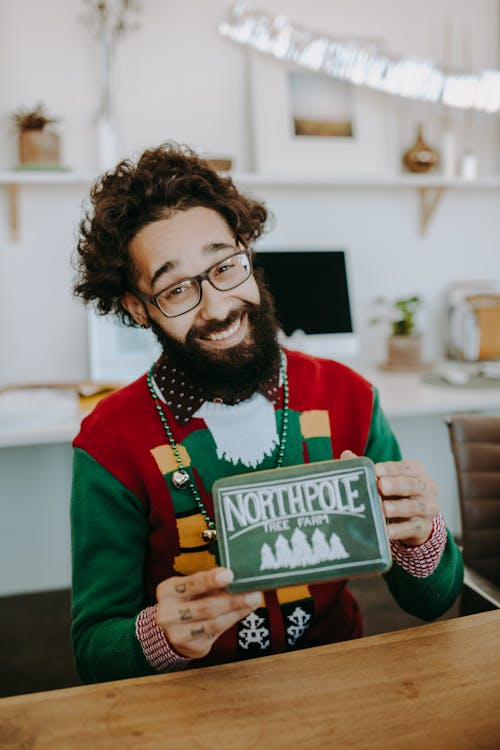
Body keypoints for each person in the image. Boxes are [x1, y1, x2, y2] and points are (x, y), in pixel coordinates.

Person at [71, 142, 463, 683]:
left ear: (247, 254)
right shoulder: (109, 442)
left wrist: (423, 538)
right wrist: (162, 635)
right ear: (138, 308)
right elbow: (93, 650)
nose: (218, 306)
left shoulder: (348, 395)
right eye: (177, 288)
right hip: (190, 702)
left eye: (225, 266)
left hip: (339, 683)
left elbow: (431, 602)